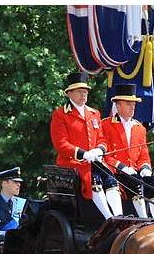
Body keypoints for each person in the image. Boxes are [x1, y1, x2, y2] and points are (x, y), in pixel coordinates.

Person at [50, 72, 121, 219]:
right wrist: (84, 154)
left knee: (111, 179)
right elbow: (60, 144)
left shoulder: (94, 113)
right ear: (69, 93)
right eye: (79, 91)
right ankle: (109, 218)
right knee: (94, 180)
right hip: (73, 163)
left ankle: (119, 216)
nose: (84, 94)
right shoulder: (60, 114)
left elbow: (102, 139)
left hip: (95, 161)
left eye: (85, 91)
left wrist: (99, 150)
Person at [101, 83, 154, 218]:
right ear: (118, 106)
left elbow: (143, 154)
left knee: (153, 183)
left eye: (134, 103)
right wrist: (122, 167)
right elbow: (105, 155)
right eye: (128, 103)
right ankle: (143, 220)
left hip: (136, 172)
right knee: (136, 184)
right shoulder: (105, 125)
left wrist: (145, 168)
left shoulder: (139, 128)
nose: (133, 106)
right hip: (116, 173)